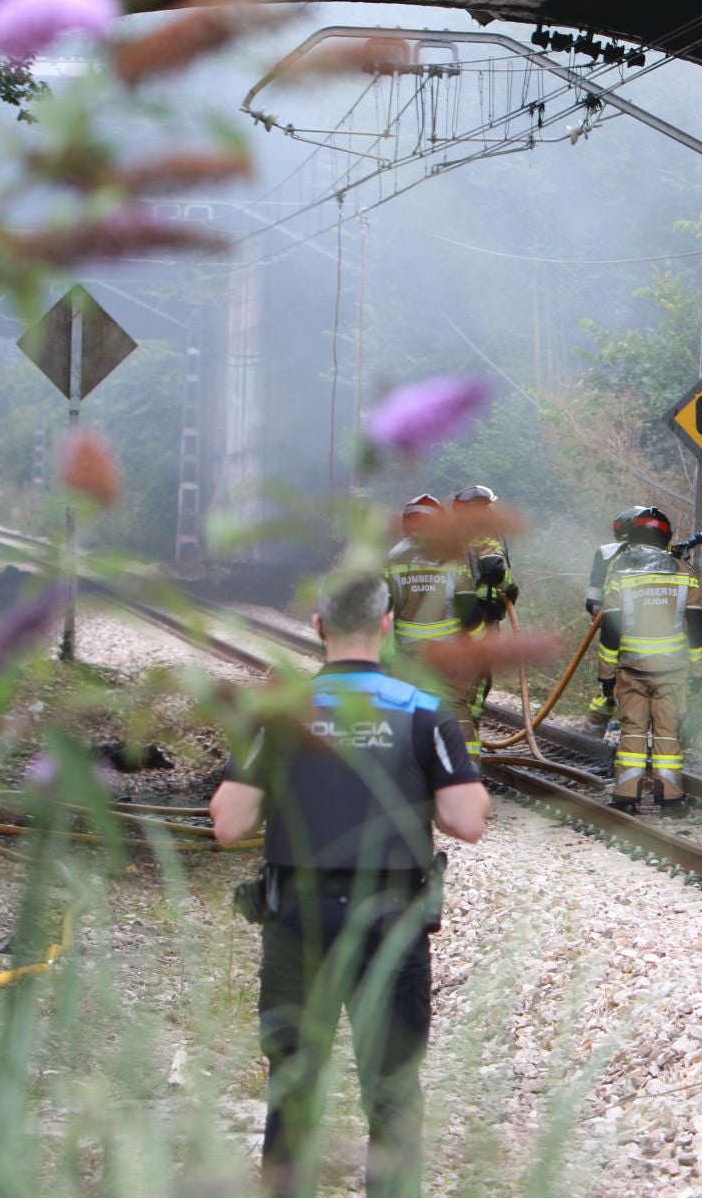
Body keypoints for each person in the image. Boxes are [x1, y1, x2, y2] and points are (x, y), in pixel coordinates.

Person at [210, 571, 489, 1198]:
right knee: (391, 1095)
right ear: (388, 623)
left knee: (295, 1089)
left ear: (318, 625)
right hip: (391, 926)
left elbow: (229, 824)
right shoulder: (423, 713)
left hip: (297, 922)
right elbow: (466, 821)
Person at [599, 506, 702, 816]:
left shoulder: (619, 572)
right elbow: (697, 628)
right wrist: (698, 670)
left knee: (632, 731)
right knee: (668, 733)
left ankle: (626, 797)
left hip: (631, 669)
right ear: (666, 538)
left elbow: (610, 630)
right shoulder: (684, 573)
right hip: (672, 671)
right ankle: (670, 799)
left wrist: (606, 674)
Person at [449, 485, 517, 758]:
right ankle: (467, 745)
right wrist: (511, 589)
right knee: (476, 682)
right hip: (481, 617)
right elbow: (493, 567)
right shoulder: (481, 534)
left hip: (447, 619)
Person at [384, 494, 470, 655]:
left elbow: (384, 608)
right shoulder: (453, 555)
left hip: (406, 651)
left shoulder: (393, 557)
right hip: (447, 652)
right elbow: (469, 609)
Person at [583, 507, 640, 736]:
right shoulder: (660, 557)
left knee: (610, 686)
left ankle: (590, 738)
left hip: (613, 629)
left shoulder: (606, 553)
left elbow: (592, 602)